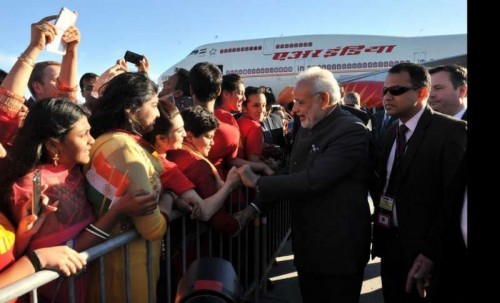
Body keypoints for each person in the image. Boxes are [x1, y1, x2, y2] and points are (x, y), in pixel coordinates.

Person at [234, 66, 372, 302]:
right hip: (309, 247)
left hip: (337, 251)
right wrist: (254, 208)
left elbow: (313, 179)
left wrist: (258, 182)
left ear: (324, 99)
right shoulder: (310, 124)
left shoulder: (351, 131)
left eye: (299, 102)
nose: (294, 109)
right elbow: (291, 171)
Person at [0, 98, 157, 302]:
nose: (92, 140)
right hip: (59, 290)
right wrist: (119, 211)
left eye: (90, 131)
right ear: (53, 146)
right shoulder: (41, 187)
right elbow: (70, 251)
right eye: (83, 135)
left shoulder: (71, 168)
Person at [371, 63, 467, 303]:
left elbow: (452, 201)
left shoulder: (451, 132)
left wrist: (432, 253)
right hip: (390, 247)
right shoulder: (392, 130)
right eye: (385, 91)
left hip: (425, 255)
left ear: (422, 93)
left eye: (397, 90)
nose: (387, 97)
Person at [85, 72, 169, 303]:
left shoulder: (108, 141)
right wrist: (169, 202)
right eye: (153, 105)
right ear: (131, 109)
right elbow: (152, 228)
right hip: (128, 268)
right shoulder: (123, 149)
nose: (159, 113)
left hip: (114, 263)